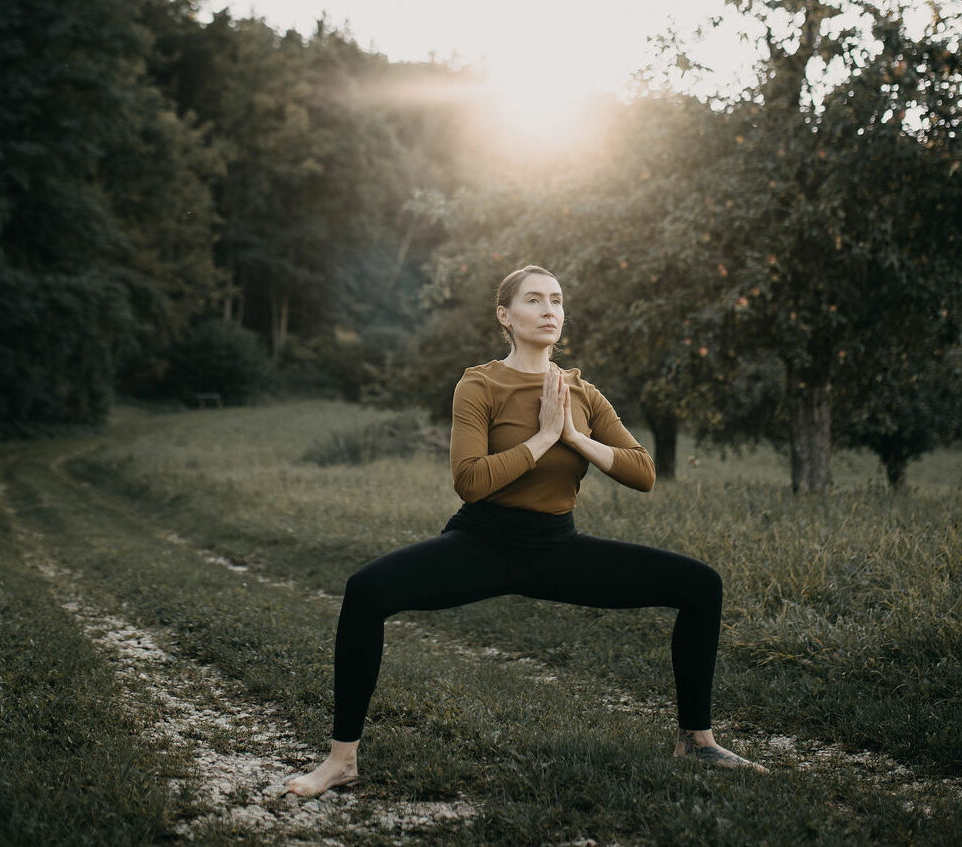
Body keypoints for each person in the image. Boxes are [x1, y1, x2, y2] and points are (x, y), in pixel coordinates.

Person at [287, 265, 767, 797]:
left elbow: (643, 472)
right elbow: (470, 482)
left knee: (701, 585)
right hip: (483, 543)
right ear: (505, 315)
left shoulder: (582, 392)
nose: (548, 310)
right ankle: (341, 760)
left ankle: (696, 741)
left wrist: (574, 437)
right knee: (365, 590)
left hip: (558, 547)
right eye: (534, 300)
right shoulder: (480, 384)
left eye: (556, 300)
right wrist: (542, 438)